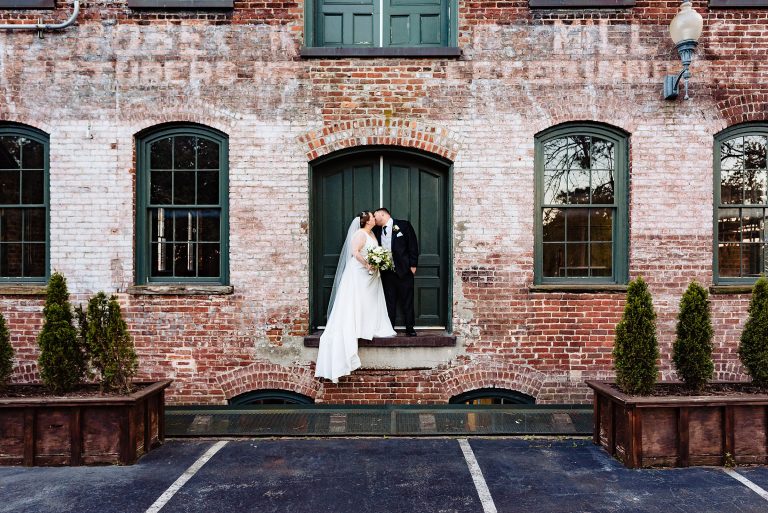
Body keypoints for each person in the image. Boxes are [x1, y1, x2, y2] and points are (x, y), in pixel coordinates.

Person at [315, 211, 396, 383]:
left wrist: (378, 262)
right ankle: (357, 328)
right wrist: (368, 264)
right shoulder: (359, 234)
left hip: (371, 275)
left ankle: (370, 326)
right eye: (372, 217)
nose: (375, 218)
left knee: (370, 302)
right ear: (366, 221)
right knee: (357, 301)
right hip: (359, 272)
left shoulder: (372, 234)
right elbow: (355, 252)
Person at [372, 208, 419, 336]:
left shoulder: (403, 225)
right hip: (387, 273)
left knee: (407, 301)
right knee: (389, 302)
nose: (374, 219)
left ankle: (410, 328)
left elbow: (413, 245)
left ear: (383, 214)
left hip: (404, 271)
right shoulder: (376, 230)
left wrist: (413, 265)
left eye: (375, 216)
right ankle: (389, 328)